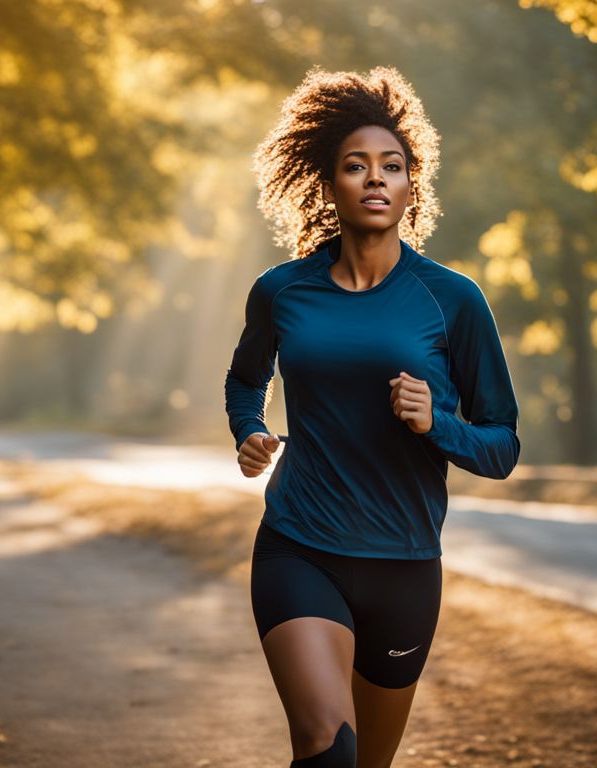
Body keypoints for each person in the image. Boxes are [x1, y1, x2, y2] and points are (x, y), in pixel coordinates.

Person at [224, 66, 522, 768]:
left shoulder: (452, 299)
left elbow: (502, 446)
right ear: (329, 185)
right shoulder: (282, 290)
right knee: (327, 746)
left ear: (413, 185)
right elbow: (245, 380)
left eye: (393, 166)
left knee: (367, 764)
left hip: (406, 566)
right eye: (356, 166)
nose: (376, 179)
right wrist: (248, 430)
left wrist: (435, 425)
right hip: (300, 545)